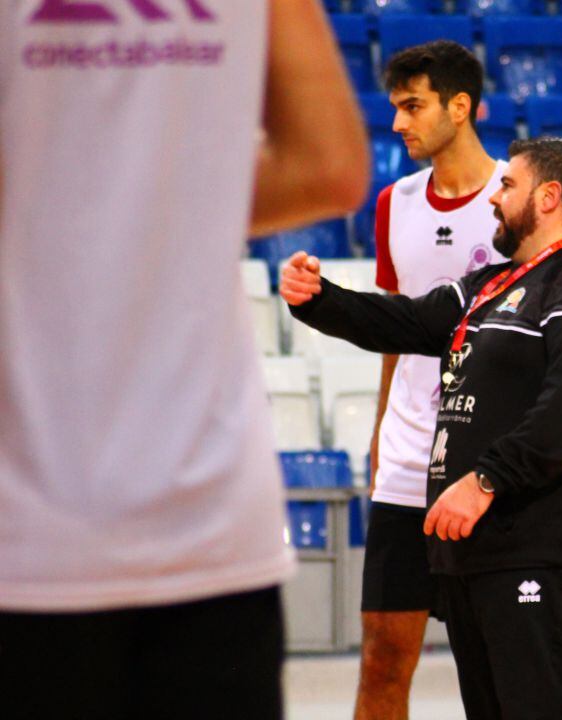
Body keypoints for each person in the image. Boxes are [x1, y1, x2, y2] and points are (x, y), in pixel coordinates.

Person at [0, 2, 369, 718]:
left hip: (25, 522)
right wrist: (159, 208)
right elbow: (328, 165)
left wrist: (66, 206)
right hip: (213, 515)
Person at [282, 136, 562, 720]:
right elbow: (407, 320)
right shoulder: (491, 286)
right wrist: (321, 300)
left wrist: (485, 480)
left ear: (549, 198)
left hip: (542, 543)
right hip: (480, 552)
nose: (494, 198)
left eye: (508, 185)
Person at [356, 40, 504, 720]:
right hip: (409, 461)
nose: (398, 124)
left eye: (412, 107)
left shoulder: (521, 195)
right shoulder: (394, 204)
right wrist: (380, 434)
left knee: (527, 667)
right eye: (395, 108)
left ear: (460, 106)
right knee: (383, 661)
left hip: (496, 466)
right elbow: (396, 330)